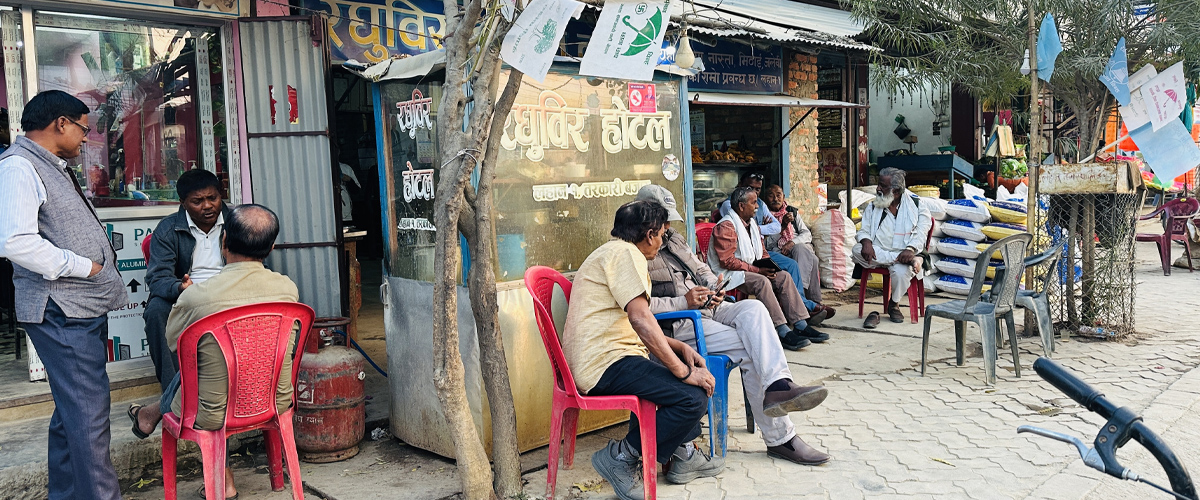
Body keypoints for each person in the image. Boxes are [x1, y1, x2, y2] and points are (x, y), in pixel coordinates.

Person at [637, 185, 832, 465]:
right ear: (645, 218)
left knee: (754, 309)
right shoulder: (634, 251)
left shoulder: (673, 238)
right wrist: (684, 301)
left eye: (668, 220)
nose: (667, 226)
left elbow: (701, 268)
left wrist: (712, 286)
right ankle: (781, 439)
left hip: (707, 308)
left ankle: (779, 384)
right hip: (679, 324)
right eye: (662, 220)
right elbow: (639, 310)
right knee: (752, 349)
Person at [0, 90, 128, 500]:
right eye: (83, 130)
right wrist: (84, 266)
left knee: (74, 412)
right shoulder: (19, 166)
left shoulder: (48, 165)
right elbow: (15, 242)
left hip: (76, 307)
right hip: (61, 308)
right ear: (61, 123)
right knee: (89, 417)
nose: (85, 139)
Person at [128, 204, 300, 500]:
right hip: (273, 399)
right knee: (212, 365)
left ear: (224, 242)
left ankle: (151, 414)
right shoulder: (287, 289)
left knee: (191, 370)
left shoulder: (197, 297)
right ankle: (150, 414)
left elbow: (175, 345)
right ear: (271, 248)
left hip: (212, 411)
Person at [564, 200, 722, 500]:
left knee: (673, 378)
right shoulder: (627, 255)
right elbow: (640, 319)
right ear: (649, 235)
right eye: (661, 235)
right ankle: (621, 457)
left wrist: (678, 348)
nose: (662, 242)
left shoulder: (613, 252)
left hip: (608, 358)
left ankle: (683, 454)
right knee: (693, 396)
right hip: (604, 365)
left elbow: (635, 320)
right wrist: (683, 371)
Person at [143, 169, 232, 393]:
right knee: (156, 310)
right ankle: (175, 395)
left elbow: (256, 261)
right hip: (187, 295)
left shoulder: (237, 222)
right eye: (197, 201)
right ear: (182, 203)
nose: (207, 206)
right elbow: (157, 278)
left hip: (231, 291)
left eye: (213, 198)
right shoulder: (167, 229)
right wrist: (179, 288)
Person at [710, 186, 829, 349]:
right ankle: (781, 330)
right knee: (762, 282)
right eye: (753, 203)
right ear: (741, 206)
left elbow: (762, 251)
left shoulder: (751, 224)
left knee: (784, 276)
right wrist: (759, 271)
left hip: (749, 268)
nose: (757, 207)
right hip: (729, 274)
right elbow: (727, 261)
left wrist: (768, 266)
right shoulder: (726, 226)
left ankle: (800, 324)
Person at [853, 167, 933, 327]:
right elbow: (864, 230)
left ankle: (894, 303)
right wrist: (866, 242)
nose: (878, 188)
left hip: (905, 252)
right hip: (879, 253)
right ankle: (909, 260)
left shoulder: (917, 205)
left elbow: (921, 233)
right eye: (878, 184)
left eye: (882, 186)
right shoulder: (873, 206)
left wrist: (910, 250)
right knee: (856, 250)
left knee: (902, 273)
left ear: (895, 191)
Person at [762, 184, 836, 323]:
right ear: (765, 199)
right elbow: (766, 245)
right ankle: (808, 303)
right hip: (776, 252)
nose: (775, 199)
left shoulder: (791, 212)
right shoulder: (764, 216)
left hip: (795, 249)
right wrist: (783, 226)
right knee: (811, 258)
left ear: (784, 197)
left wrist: (792, 242)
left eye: (778, 195)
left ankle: (810, 303)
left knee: (802, 250)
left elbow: (806, 234)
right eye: (771, 196)